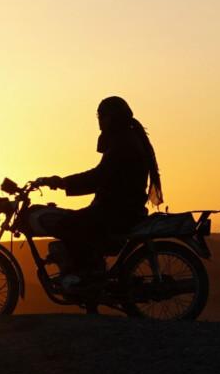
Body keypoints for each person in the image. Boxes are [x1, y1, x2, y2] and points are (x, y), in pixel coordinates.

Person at [35, 95, 163, 287]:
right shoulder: (125, 139)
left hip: (117, 210)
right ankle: (88, 271)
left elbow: (98, 177)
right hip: (120, 207)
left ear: (112, 117)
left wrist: (62, 183)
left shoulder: (123, 144)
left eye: (102, 116)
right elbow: (102, 176)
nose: (99, 121)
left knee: (66, 223)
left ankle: (85, 275)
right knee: (75, 222)